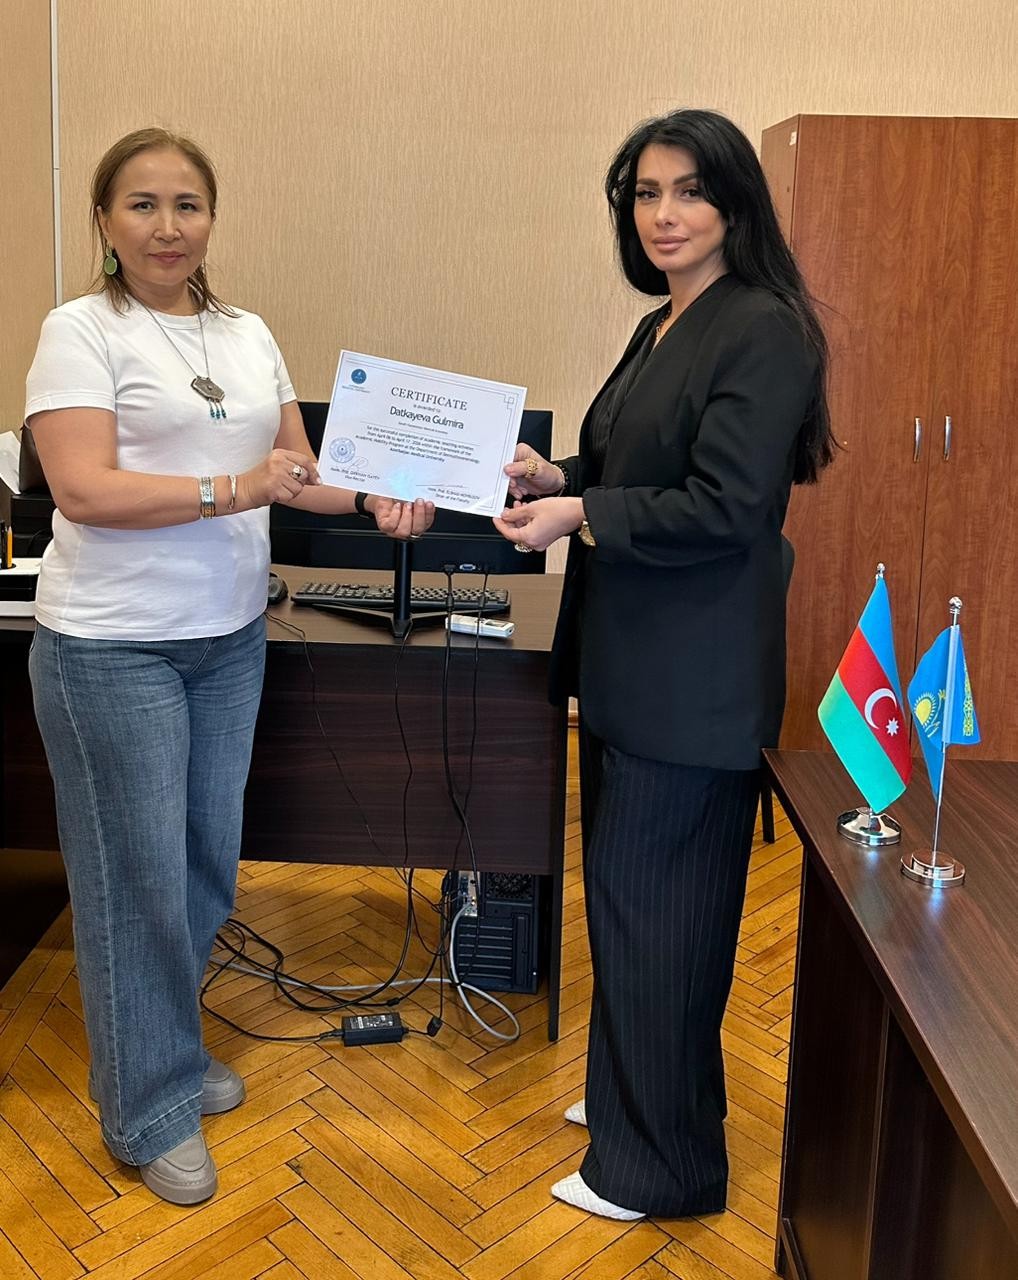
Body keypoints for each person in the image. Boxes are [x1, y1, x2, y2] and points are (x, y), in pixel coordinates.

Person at [24, 127, 433, 1206]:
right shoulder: (80, 331)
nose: (168, 227)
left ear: (212, 217)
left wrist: (378, 495)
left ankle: (162, 1043)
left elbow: (297, 472)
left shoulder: (246, 333)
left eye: (188, 204)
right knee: (135, 879)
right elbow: (83, 490)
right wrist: (231, 490)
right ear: (105, 221)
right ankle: (146, 1105)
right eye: (143, 204)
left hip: (228, 639)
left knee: (203, 865)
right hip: (112, 646)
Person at [494, 108, 834, 1221]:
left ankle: (662, 1170)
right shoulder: (665, 322)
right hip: (632, 666)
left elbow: (725, 505)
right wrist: (561, 477)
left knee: (665, 921)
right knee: (635, 912)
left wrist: (581, 514)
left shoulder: (764, 326)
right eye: (645, 193)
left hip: (693, 681)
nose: (664, 213)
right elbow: (637, 462)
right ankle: (634, 1102)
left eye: (689, 190)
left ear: (735, 204)